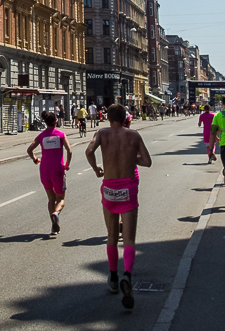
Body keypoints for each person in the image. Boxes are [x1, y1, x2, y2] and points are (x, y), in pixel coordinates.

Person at [85, 103, 152, 310]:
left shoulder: (102, 133)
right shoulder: (134, 135)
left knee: (112, 236)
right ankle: (127, 276)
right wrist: (132, 159)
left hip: (109, 188)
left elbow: (89, 151)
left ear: (107, 117)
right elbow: (148, 162)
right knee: (129, 238)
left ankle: (113, 277)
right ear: (125, 118)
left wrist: (97, 168)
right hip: (128, 187)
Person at [27, 111, 72, 236]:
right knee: (61, 198)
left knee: (51, 198)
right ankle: (56, 213)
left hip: (44, 170)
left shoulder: (41, 136)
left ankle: (53, 228)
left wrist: (35, 159)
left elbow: (29, 150)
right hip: (58, 170)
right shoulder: (61, 135)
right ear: (56, 121)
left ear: (45, 122)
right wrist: (67, 164)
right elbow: (69, 151)